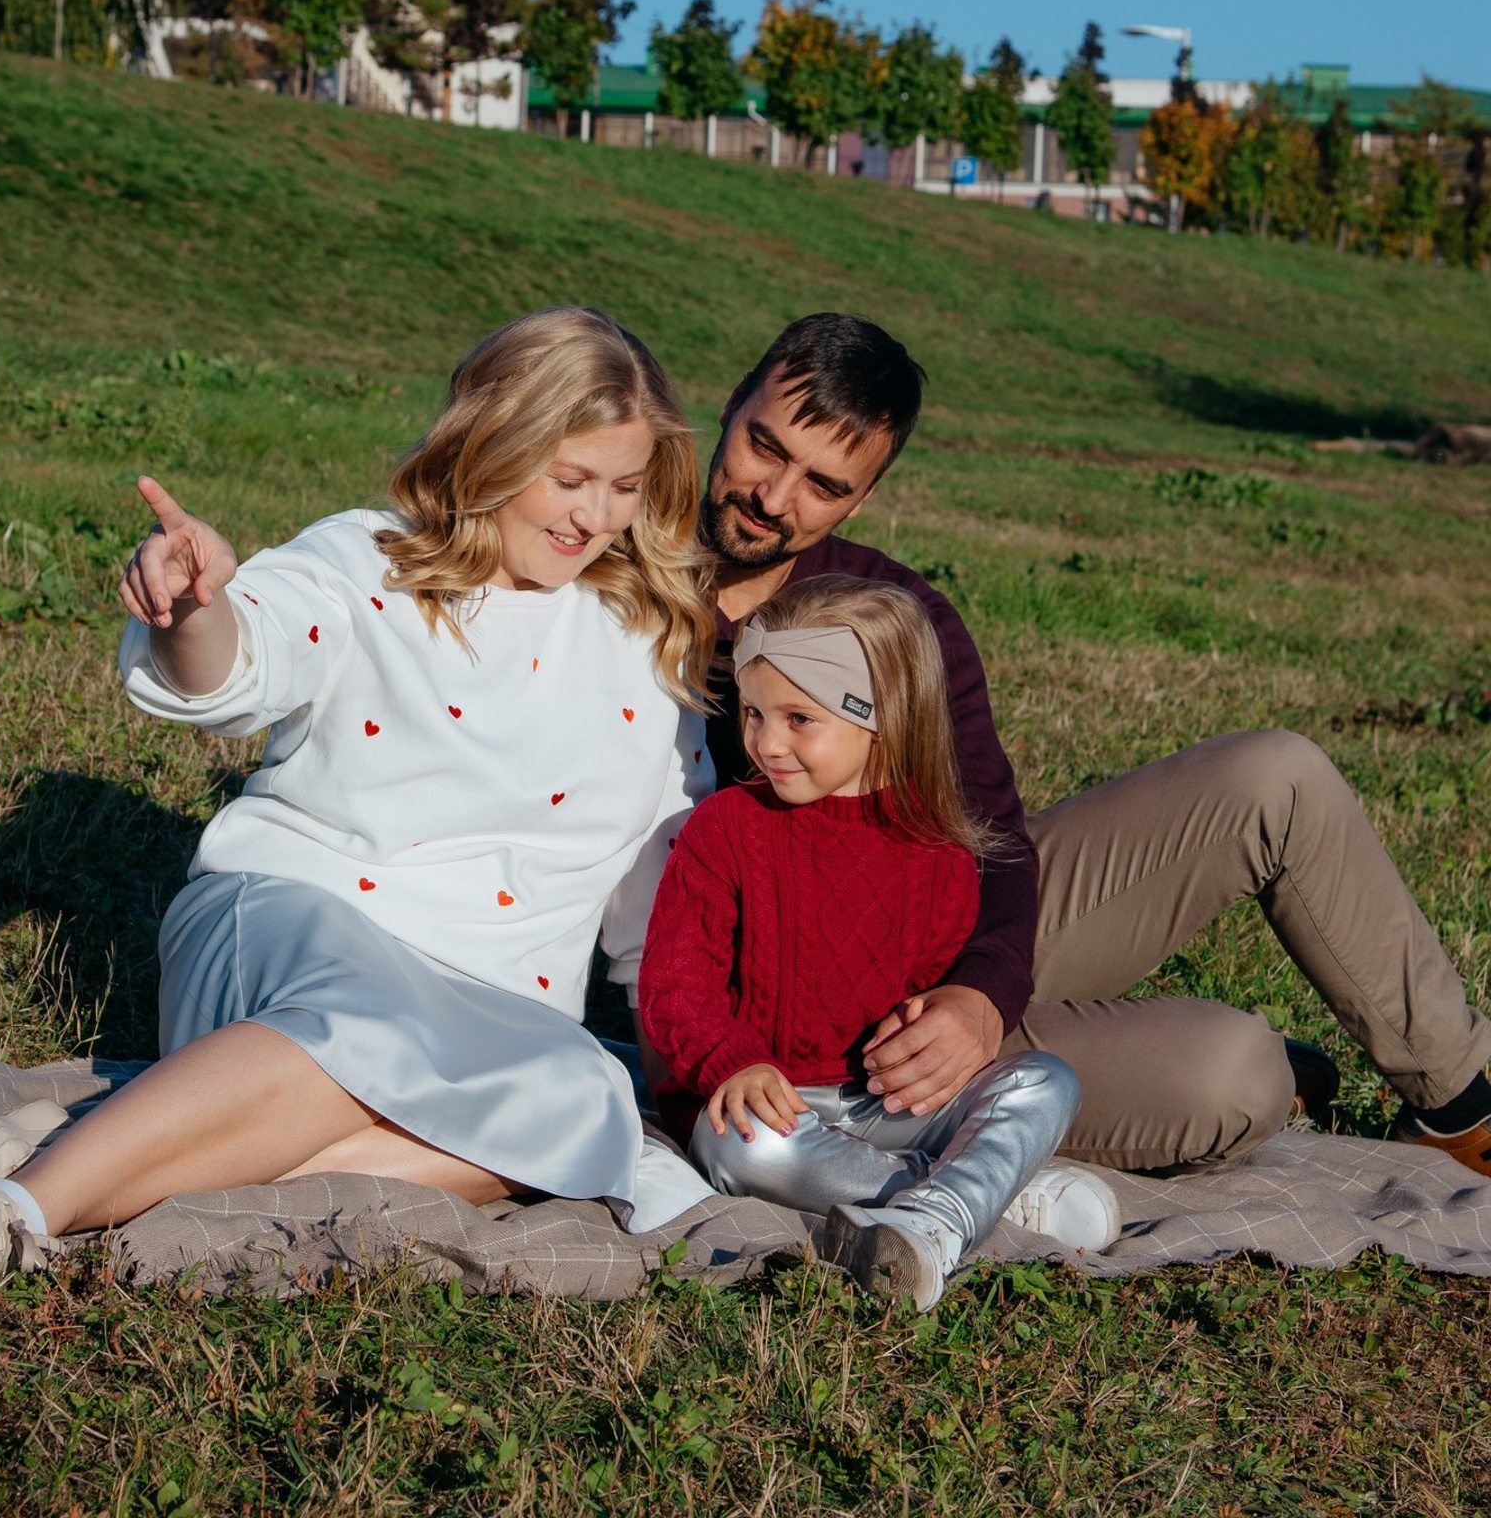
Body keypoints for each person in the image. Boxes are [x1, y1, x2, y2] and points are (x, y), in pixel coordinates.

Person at [0, 308, 720, 1319]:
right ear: (493, 447)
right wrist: (195, 612)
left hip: (489, 1014)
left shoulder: (642, 644)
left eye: (625, 487)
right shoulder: (369, 563)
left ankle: (92, 1151)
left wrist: (702, 1064)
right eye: (571, 480)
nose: (597, 517)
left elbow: (660, 899)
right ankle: (6, 1214)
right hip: (294, 927)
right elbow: (245, 661)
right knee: (372, 1036)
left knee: (581, 1102)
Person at [617, 311, 1491, 1178]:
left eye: (825, 485)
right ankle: (1209, 1062)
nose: (775, 498)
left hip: (920, 947)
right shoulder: (610, 583)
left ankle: (1462, 1107)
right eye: (765, 448)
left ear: (865, 496)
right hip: (765, 1021)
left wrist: (981, 997)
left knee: (1279, 777)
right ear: (729, 408)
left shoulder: (892, 617)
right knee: (1236, 1075)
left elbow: (990, 837)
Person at [640, 575, 1120, 1311]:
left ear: (883, 720)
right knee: (750, 1148)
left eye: (800, 719)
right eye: (755, 713)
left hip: (884, 1108)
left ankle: (936, 1213)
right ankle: (974, 1197)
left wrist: (931, 1049)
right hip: (768, 1105)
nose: (766, 742)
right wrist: (731, 1063)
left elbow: (930, 997)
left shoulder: (937, 847)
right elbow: (675, 983)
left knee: (1047, 1081)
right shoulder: (726, 829)